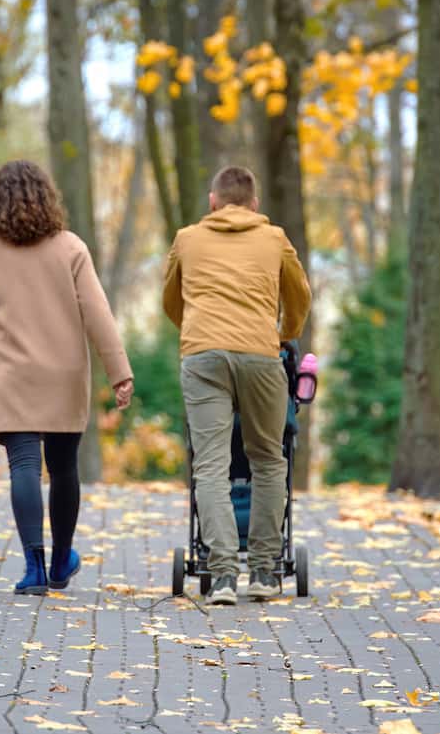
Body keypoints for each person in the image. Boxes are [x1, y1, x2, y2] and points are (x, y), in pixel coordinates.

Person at [0, 160, 134, 596]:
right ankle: (62, 562)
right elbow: (98, 313)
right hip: (65, 374)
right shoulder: (71, 248)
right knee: (63, 468)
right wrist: (119, 373)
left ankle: (34, 567)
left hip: (13, 374)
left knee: (23, 465)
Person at [162, 165, 311, 605]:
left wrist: (197, 333)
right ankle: (264, 572)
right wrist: (284, 333)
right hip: (261, 355)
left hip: (203, 356)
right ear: (254, 205)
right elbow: (299, 296)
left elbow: (172, 300)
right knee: (268, 458)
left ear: (213, 201)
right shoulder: (275, 239)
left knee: (209, 464)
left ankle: (223, 576)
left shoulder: (187, 239)